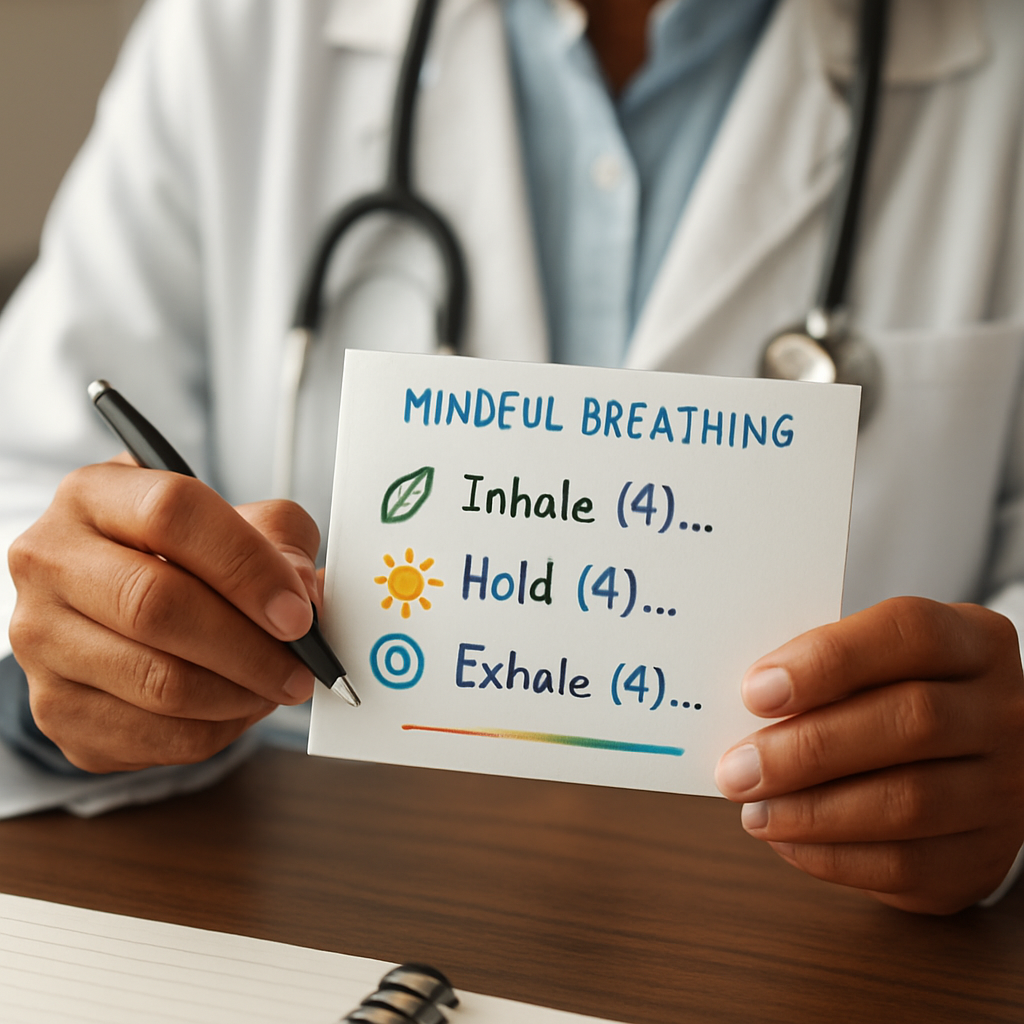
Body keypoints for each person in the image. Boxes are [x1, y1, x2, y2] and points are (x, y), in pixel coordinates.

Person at [1, 0, 1024, 916]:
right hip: (312, 901)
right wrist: (74, 660)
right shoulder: (244, 30)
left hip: (795, 937)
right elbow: (33, 481)